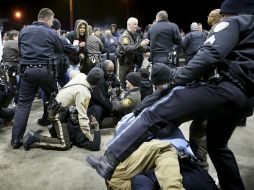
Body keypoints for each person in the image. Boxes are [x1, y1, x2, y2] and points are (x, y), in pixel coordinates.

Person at [86, 0, 254, 189]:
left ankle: (109, 160)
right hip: (245, 97)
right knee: (218, 147)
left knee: (155, 113)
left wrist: (178, 77)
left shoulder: (233, 22)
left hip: (223, 87)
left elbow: (210, 54)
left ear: (228, 13)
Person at [11, 8, 63, 149]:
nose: (52, 24)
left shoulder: (23, 31)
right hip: (46, 71)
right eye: (52, 21)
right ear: (46, 19)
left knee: (23, 105)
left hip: (27, 72)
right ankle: (60, 135)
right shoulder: (51, 32)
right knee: (56, 100)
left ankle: (16, 140)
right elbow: (59, 50)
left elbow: (21, 51)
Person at [23, 67, 104, 151]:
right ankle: (35, 137)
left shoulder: (81, 76)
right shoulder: (84, 93)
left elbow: (71, 72)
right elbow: (83, 118)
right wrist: (90, 138)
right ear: (97, 84)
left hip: (57, 107)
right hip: (57, 114)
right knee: (65, 144)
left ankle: (54, 129)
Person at [116, 17, 149, 84]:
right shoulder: (125, 36)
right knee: (124, 81)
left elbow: (139, 47)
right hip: (125, 62)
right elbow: (127, 49)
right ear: (129, 25)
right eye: (134, 24)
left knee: (131, 81)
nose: (136, 26)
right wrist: (140, 44)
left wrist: (148, 48)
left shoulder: (136, 35)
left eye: (137, 24)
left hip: (132, 62)